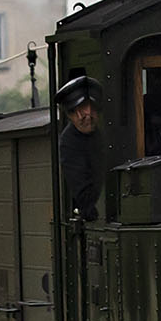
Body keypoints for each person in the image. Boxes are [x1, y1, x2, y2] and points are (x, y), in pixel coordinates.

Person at [56, 75, 103, 221]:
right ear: (70, 114)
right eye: (81, 111)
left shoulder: (105, 133)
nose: (88, 116)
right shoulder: (70, 142)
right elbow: (84, 194)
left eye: (92, 109)